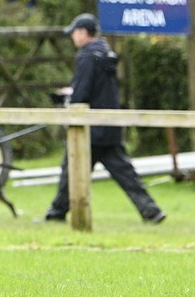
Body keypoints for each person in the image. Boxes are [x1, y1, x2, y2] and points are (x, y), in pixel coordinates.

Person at [43, 13, 166, 224]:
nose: (73, 37)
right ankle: (151, 211)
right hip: (109, 123)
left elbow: (82, 93)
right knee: (125, 173)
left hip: (90, 127)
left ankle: (56, 213)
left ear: (83, 33)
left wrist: (68, 99)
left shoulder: (86, 56)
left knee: (71, 169)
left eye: (74, 32)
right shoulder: (106, 53)